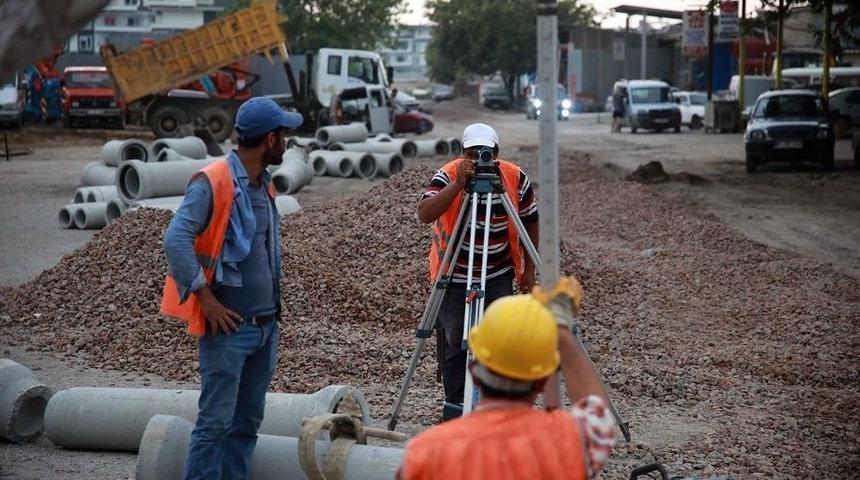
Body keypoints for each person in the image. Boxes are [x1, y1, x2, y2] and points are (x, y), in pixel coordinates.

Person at [160, 97, 302, 480]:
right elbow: (175, 239)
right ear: (270, 139)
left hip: (265, 326)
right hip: (228, 331)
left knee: (245, 426)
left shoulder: (263, 185)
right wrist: (205, 298)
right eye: (284, 135)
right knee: (214, 426)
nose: (286, 142)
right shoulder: (213, 180)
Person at [398, 278, 617, 480]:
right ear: (541, 382)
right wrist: (561, 331)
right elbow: (598, 411)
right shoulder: (567, 441)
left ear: (474, 370)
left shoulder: (424, 453)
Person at [417, 122, 539, 420]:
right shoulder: (448, 175)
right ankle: (456, 407)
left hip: (497, 270)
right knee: (456, 339)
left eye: (485, 153)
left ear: (496, 153)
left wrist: (529, 269)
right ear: (462, 154)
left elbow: (530, 222)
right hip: (454, 273)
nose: (479, 159)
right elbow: (424, 213)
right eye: (473, 154)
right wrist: (459, 184)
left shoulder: (513, 178)